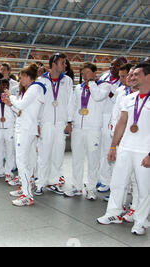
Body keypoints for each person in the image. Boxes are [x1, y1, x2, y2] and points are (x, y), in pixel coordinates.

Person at [97, 63, 150, 236]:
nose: (132, 77)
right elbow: (122, 123)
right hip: (126, 147)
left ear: (148, 76)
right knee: (117, 183)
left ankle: (140, 222)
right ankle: (113, 213)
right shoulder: (129, 98)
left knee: (143, 188)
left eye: (136, 74)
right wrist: (113, 145)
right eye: (131, 74)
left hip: (144, 150)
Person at [64, 62, 110, 200]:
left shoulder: (104, 86)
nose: (84, 76)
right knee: (77, 159)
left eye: (88, 73)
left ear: (95, 73)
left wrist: (92, 83)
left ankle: (91, 188)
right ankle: (76, 187)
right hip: (78, 127)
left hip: (94, 129)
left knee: (93, 160)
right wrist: (70, 122)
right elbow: (72, 105)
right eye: (83, 74)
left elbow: (97, 97)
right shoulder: (78, 88)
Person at [3, 63, 45, 207]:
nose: (20, 81)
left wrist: (11, 96)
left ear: (28, 77)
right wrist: (10, 104)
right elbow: (20, 111)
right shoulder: (30, 90)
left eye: (22, 78)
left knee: (22, 162)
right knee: (25, 161)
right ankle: (25, 187)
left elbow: (20, 105)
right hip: (24, 128)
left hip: (26, 130)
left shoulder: (35, 88)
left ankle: (27, 195)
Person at [34, 53, 73, 196]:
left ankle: (53, 182)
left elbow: (70, 102)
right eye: (63, 62)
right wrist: (37, 122)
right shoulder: (41, 80)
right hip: (46, 123)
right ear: (54, 64)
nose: (65, 65)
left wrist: (69, 122)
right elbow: (37, 103)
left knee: (58, 155)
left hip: (61, 124)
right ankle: (40, 183)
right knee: (44, 154)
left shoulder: (67, 80)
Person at [97, 57, 127, 193]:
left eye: (116, 66)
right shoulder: (105, 76)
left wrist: (110, 93)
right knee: (102, 150)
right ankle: (103, 178)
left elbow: (114, 98)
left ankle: (111, 182)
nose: (112, 68)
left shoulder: (124, 83)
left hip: (114, 118)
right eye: (111, 65)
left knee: (111, 151)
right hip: (102, 116)